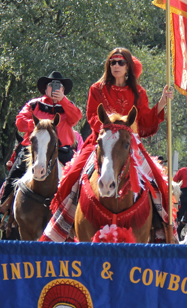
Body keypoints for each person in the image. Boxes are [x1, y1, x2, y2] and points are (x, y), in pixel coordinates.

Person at [44, 48, 173, 242]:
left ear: (128, 66)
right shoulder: (97, 88)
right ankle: (64, 223)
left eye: (120, 62)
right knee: (72, 175)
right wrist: (109, 127)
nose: (116, 66)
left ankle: (163, 229)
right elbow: (91, 115)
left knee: (157, 179)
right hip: (101, 139)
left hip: (128, 142)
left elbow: (145, 120)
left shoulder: (138, 92)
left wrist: (162, 102)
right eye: (112, 62)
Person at [15, 71, 83, 165]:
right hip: (32, 149)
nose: (55, 87)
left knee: (76, 175)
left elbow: (76, 119)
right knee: (13, 177)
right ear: (46, 89)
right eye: (51, 84)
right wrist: (38, 126)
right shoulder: (34, 104)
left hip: (62, 151)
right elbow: (20, 122)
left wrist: (63, 100)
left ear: (63, 90)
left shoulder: (68, 106)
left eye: (59, 85)